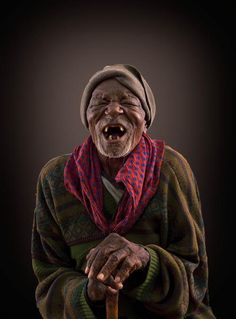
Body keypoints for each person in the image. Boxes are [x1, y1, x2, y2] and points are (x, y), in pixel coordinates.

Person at [31, 64, 216, 318]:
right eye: (100, 102)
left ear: (145, 119)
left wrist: (145, 260)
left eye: (128, 102)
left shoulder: (171, 169)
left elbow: (195, 280)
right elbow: (48, 279)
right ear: (88, 119)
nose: (114, 110)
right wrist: (88, 292)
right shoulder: (55, 179)